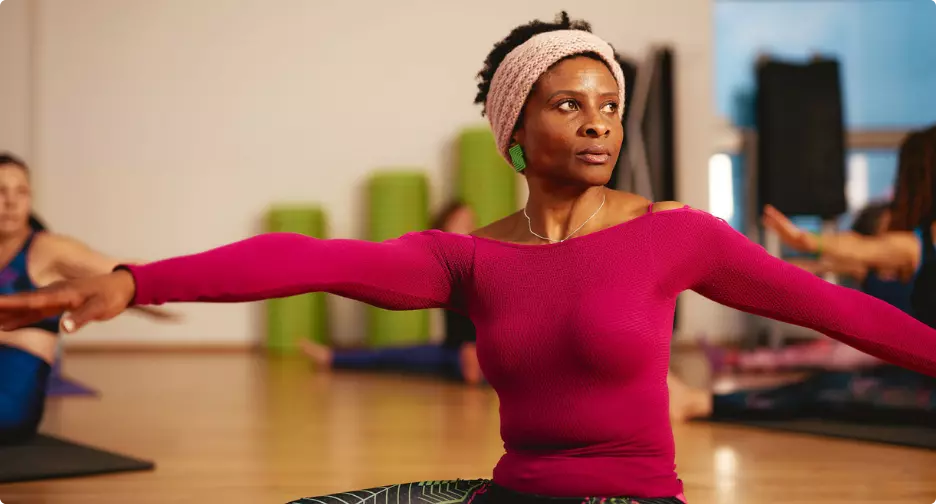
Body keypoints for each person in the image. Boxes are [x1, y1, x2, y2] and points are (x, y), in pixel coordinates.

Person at [0, 12, 935, 503]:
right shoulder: (469, 261)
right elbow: (307, 258)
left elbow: (839, 311)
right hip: (511, 497)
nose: (598, 120)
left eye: (608, 104)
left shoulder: (675, 234)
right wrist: (133, 281)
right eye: (568, 104)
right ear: (515, 129)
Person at [0, 152, 179, 445]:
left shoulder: (49, 249)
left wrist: (186, 284)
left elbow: (123, 274)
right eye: (1, 191)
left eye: (21, 192)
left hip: (12, 394)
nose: (10, 202)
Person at [762, 125, 936, 327]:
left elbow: (862, 248)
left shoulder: (911, 247)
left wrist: (808, 241)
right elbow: (858, 250)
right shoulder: (908, 245)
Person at [299, 201, 483, 385]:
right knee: (394, 356)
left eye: (471, 222)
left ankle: (480, 363)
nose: (470, 227)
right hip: (451, 350)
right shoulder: (442, 265)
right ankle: (332, 357)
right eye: (462, 221)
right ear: (443, 229)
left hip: (479, 349)